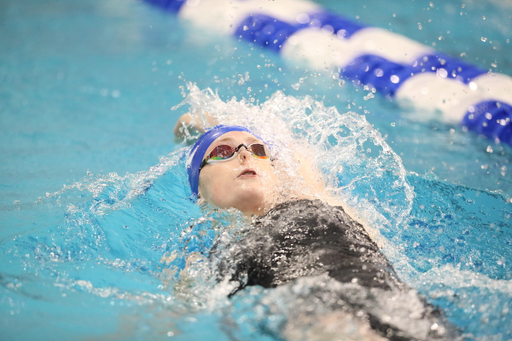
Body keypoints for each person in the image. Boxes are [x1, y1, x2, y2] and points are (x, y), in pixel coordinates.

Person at [174, 114, 458, 341]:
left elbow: (290, 144)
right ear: (199, 194)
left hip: (397, 304)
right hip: (313, 316)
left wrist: (201, 121)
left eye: (258, 149)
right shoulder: (202, 252)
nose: (245, 155)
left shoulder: (311, 199)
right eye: (223, 151)